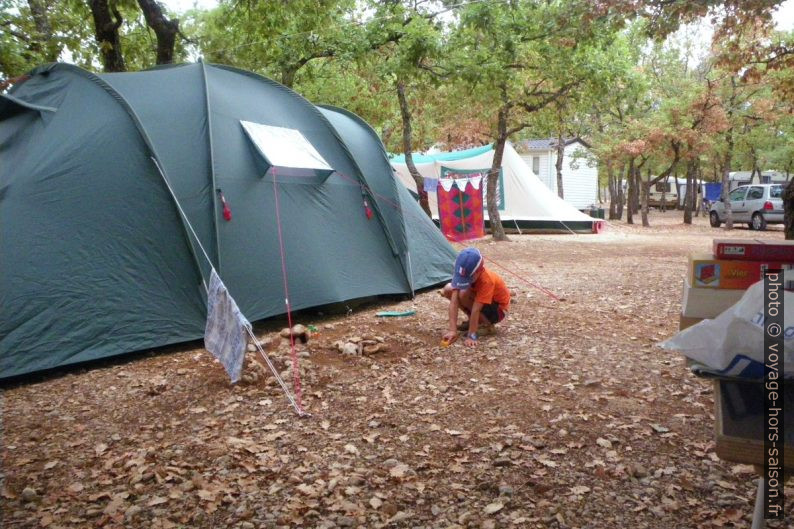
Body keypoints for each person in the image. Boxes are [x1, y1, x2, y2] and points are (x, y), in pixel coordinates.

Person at [441, 247, 510, 347]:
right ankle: (474, 322)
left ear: (478, 272)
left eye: (467, 278)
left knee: (463, 293)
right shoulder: (460, 271)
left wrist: (471, 335)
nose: (463, 280)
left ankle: (486, 326)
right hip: (481, 303)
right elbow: (454, 301)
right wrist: (452, 330)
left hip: (498, 310)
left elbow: (476, 309)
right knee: (448, 289)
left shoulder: (487, 280)